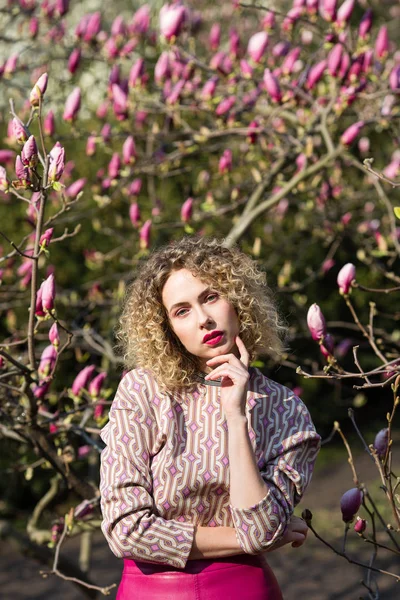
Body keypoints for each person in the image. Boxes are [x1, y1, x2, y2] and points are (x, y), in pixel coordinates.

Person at [99, 237, 321, 600]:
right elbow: (126, 529)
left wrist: (236, 417)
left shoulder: (285, 410)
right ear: (167, 328)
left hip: (244, 590)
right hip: (151, 592)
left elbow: (261, 527)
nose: (203, 320)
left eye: (211, 297)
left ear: (238, 300)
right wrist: (247, 539)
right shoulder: (142, 392)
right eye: (181, 311)